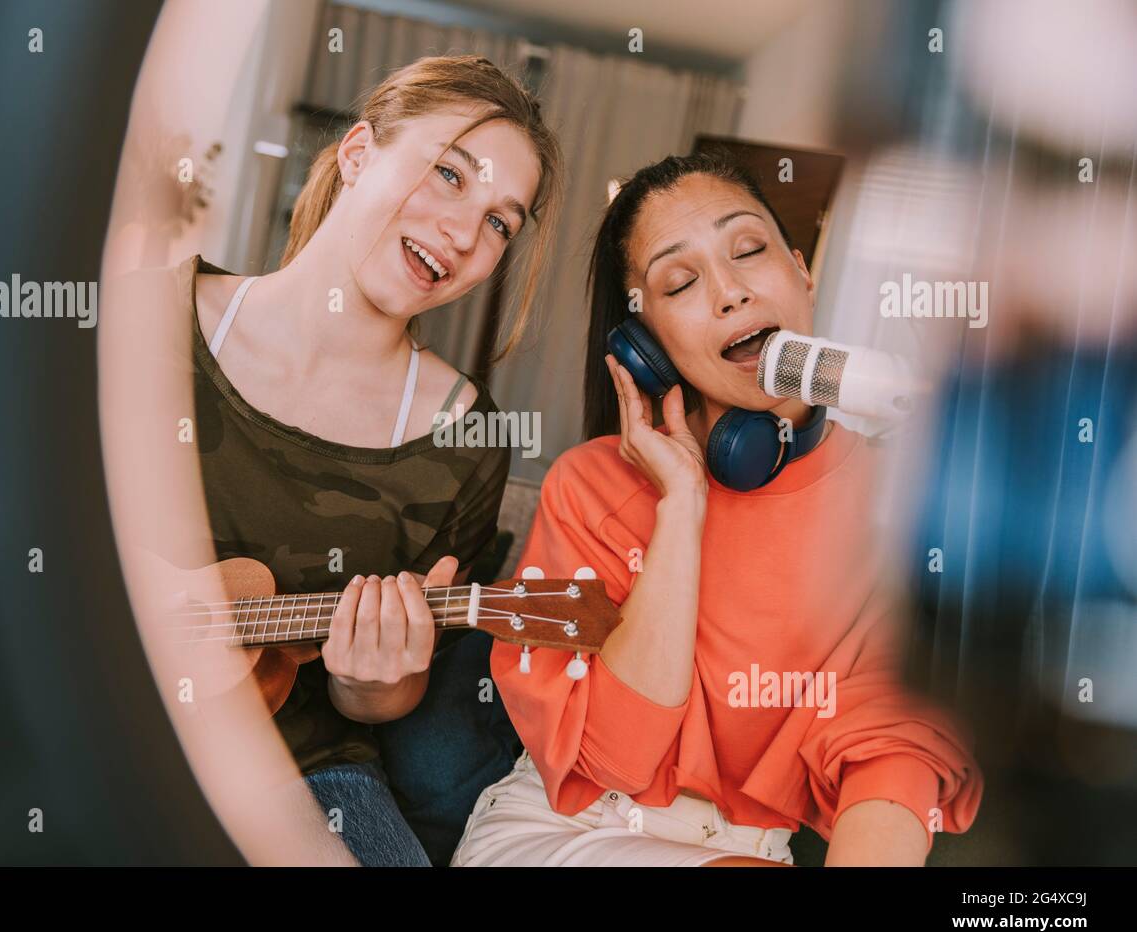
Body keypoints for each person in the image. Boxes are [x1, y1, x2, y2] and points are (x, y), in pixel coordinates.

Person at [452, 149, 982, 866]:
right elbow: (618, 757)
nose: (729, 292)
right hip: (569, 832)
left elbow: (893, 750)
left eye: (749, 250)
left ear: (803, 271)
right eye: (680, 281)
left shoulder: (900, 498)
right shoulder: (590, 487)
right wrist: (681, 506)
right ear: (646, 346)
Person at [169, 55, 562, 865]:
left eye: (499, 222)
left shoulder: (470, 439)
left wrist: (373, 681)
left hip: (299, 772)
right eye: (450, 175)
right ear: (357, 155)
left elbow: (386, 706)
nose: (463, 234)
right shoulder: (147, 315)